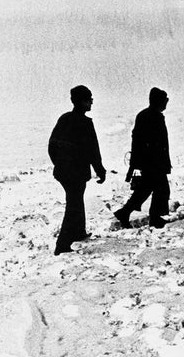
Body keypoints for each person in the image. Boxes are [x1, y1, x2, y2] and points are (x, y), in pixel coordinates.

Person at [48, 85, 106, 256]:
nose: (91, 103)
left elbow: (52, 145)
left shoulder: (64, 119)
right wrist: (100, 170)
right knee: (74, 204)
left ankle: (79, 232)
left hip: (63, 172)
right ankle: (62, 244)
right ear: (81, 102)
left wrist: (58, 163)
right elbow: (93, 151)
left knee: (76, 200)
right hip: (76, 172)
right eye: (89, 100)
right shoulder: (85, 123)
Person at [113, 88, 172, 229]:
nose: (166, 103)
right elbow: (158, 144)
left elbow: (137, 140)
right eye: (165, 100)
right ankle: (156, 218)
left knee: (145, 189)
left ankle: (125, 212)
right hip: (154, 163)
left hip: (148, 162)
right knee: (161, 189)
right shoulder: (154, 117)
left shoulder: (144, 115)